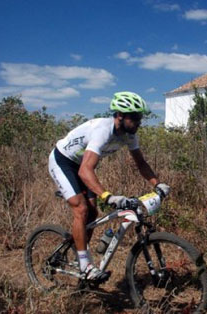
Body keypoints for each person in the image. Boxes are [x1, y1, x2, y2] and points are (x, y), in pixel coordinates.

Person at [48, 91, 170, 281]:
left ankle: (80, 253)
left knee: (93, 213)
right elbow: (85, 170)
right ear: (120, 116)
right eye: (135, 117)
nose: (139, 122)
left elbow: (141, 163)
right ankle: (85, 265)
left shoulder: (129, 135)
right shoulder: (102, 130)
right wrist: (108, 196)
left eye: (141, 117)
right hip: (63, 161)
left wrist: (158, 183)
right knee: (80, 209)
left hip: (83, 166)